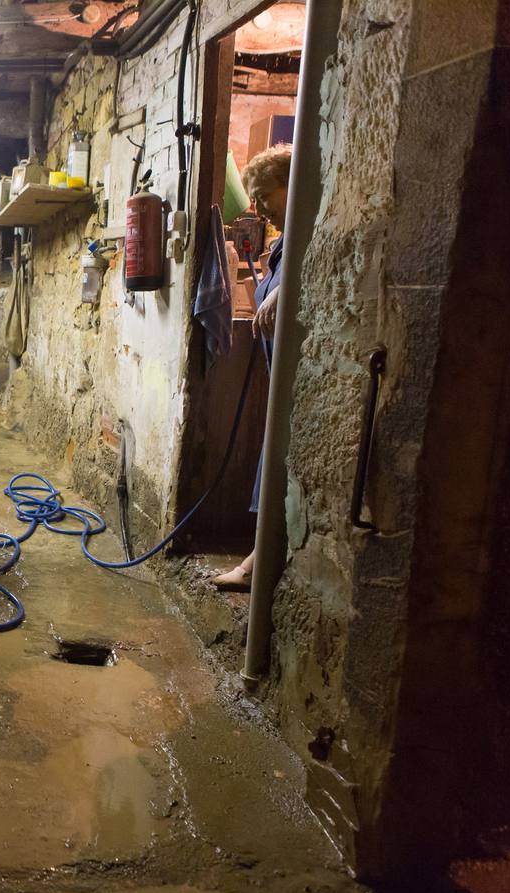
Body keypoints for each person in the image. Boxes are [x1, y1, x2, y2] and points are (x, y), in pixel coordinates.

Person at [213, 144, 291, 590]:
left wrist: (281, 291)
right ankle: (259, 557)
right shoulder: (285, 242)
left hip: (295, 381)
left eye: (264, 194)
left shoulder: (311, 234)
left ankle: (258, 565)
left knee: (279, 460)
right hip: (275, 373)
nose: (257, 206)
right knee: (271, 454)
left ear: (292, 186)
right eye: (254, 195)